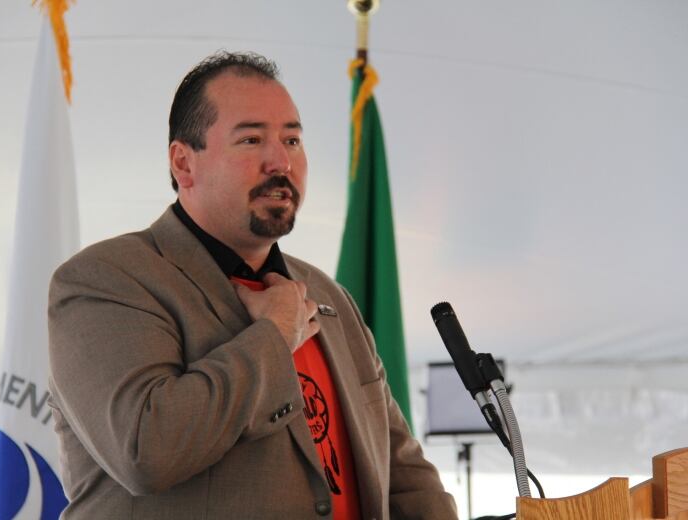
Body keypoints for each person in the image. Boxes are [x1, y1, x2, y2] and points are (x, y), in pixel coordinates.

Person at [48, 51, 458, 520]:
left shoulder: (329, 296)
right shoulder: (107, 280)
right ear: (184, 164)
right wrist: (274, 336)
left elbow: (401, 469)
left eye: (292, 139)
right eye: (251, 140)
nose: (280, 161)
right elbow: (146, 450)